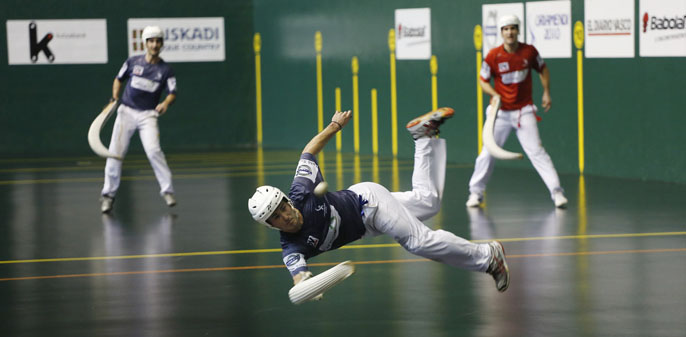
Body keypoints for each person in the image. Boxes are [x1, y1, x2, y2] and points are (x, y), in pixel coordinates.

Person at [248, 108, 510, 297]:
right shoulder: (292, 248)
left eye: (282, 206)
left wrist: (334, 126)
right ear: (271, 225)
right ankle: (424, 137)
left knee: (418, 241)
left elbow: (308, 151)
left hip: (367, 201)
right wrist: (306, 284)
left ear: (285, 198)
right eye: (277, 216)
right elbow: (298, 274)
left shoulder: (301, 191)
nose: (286, 214)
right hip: (369, 224)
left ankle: (488, 257)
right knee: (428, 202)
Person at [466, 14, 568, 208]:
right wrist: (494, 94)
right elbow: (482, 80)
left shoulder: (529, 52)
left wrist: (546, 92)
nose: (509, 32)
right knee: (487, 152)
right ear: (501, 33)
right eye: (506, 29)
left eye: (513, 28)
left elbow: (543, 69)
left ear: (518, 30)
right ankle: (475, 193)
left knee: (537, 152)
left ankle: (557, 193)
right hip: (500, 113)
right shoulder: (493, 56)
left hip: (524, 111)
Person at [100, 26, 177, 213]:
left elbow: (172, 92)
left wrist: (166, 103)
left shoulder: (166, 70)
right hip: (126, 112)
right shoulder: (133, 62)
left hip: (148, 115)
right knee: (115, 153)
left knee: (153, 151)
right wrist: (113, 99)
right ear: (146, 43)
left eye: (158, 41)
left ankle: (167, 191)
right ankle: (108, 195)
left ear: (161, 44)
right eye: (151, 41)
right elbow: (118, 79)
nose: (155, 44)